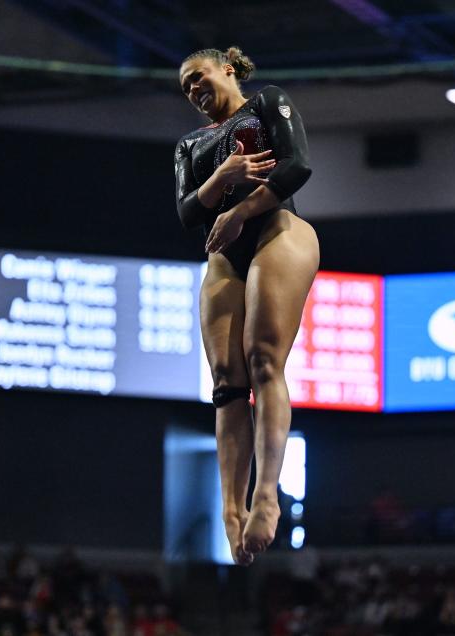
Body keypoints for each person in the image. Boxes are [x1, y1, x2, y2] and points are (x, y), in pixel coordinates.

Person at [175, 46, 319, 565]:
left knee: (263, 361)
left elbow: (297, 166)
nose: (193, 89)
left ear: (227, 69)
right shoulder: (190, 145)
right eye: (185, 86)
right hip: (224, 254)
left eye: (199, 76)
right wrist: (223, 175)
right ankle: (231, 511)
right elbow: (189, 212)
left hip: (278, 227)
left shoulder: (266, 104)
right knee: (225, 385)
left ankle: (266, 495)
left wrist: (240, 210)